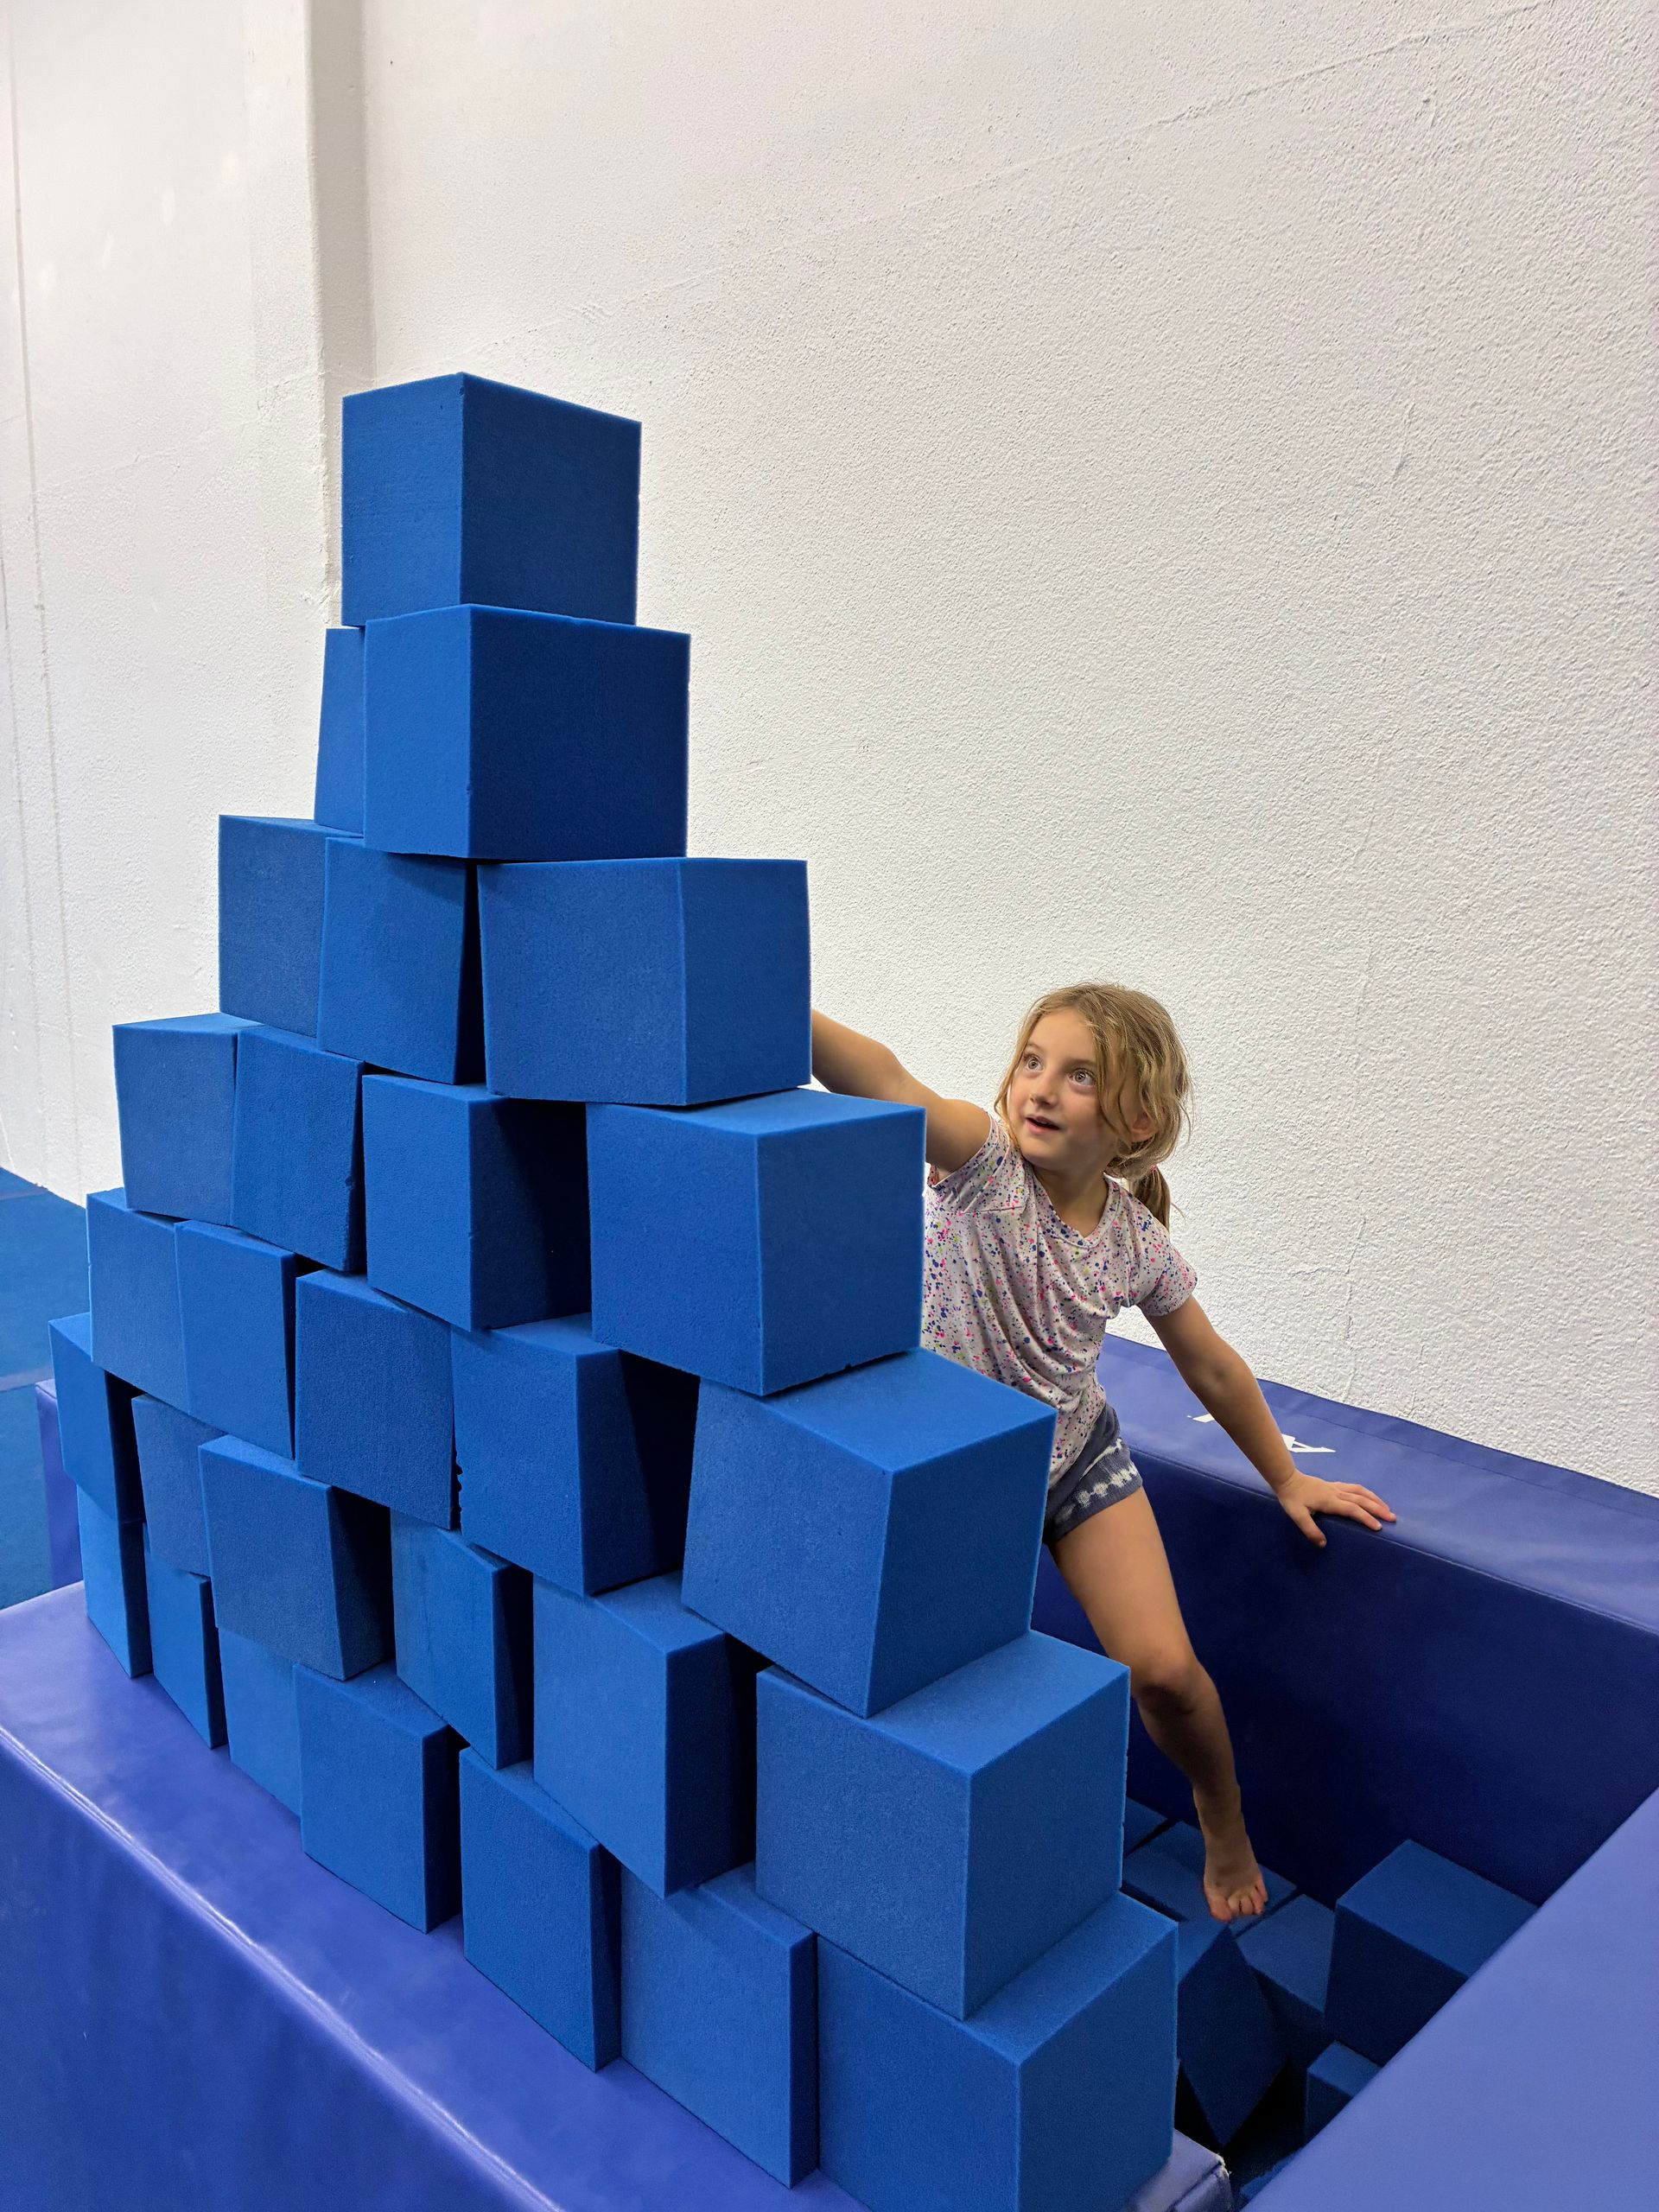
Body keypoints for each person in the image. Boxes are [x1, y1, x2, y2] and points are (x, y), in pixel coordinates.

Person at [810, 982, 1396, 1921]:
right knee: (937, 1688)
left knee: (1165, 1672)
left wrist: (1288, 1477)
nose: (1040, 1087)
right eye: (1032, 1062)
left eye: (1079, 1076)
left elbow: (1209, 1364)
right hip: (955, 1472)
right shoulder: (984, 1165)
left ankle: (1222, 1810)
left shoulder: (1136, 1239)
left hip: (1074, 1457)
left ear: (1138, 1118)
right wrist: (780, 996)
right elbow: (880, 1076)